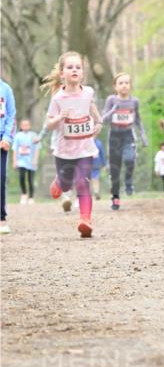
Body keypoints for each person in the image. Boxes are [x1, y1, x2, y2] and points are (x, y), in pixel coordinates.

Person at [42, 51, 103, 238]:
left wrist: (98, 122)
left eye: (78, 67)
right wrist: (60, 117)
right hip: (64, 151)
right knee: (68, 185)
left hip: (85, 148)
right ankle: (60, 182)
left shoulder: (89, 92)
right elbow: (49, 124)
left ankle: (85, 220)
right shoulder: (58, 99)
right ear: (62, 73)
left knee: (83, 182)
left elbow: (91, 106)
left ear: (82, 73)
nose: (74, 70)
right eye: (70, 67)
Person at [102, 73, 148, 211]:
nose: (124, 85)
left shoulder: (134, 101)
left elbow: (138, 120)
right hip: (114, 136)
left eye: (127, 83)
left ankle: (128, 182)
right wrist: (112, 110)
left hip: (128, 135)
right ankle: (115, 197)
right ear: (115, 86)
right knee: (115, 169)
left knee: (130, 159)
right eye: (121, 83)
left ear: (130, 85)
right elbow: (103, 119)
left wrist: (143, 136)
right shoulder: (111, 99)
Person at [0, 77, 17, 234]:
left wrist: (7, 137)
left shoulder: (6, 89)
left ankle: (1, 218)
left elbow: (11, 115)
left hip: (1, 139)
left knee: (0, 178)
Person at [13, 118, 39, 204]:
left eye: (27, 125)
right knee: (22, 177)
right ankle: (24, 194)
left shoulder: (34, 135)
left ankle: (31, 197)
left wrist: (35, 160)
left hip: (31, 161)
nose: (25, 127)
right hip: (21, 161)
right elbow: (15, 149)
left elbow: (37, 149)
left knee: (30, 179)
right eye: (23, 125)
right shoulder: (17, 136)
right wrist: (14, 161)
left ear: (29, 126)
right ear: (21, 126)